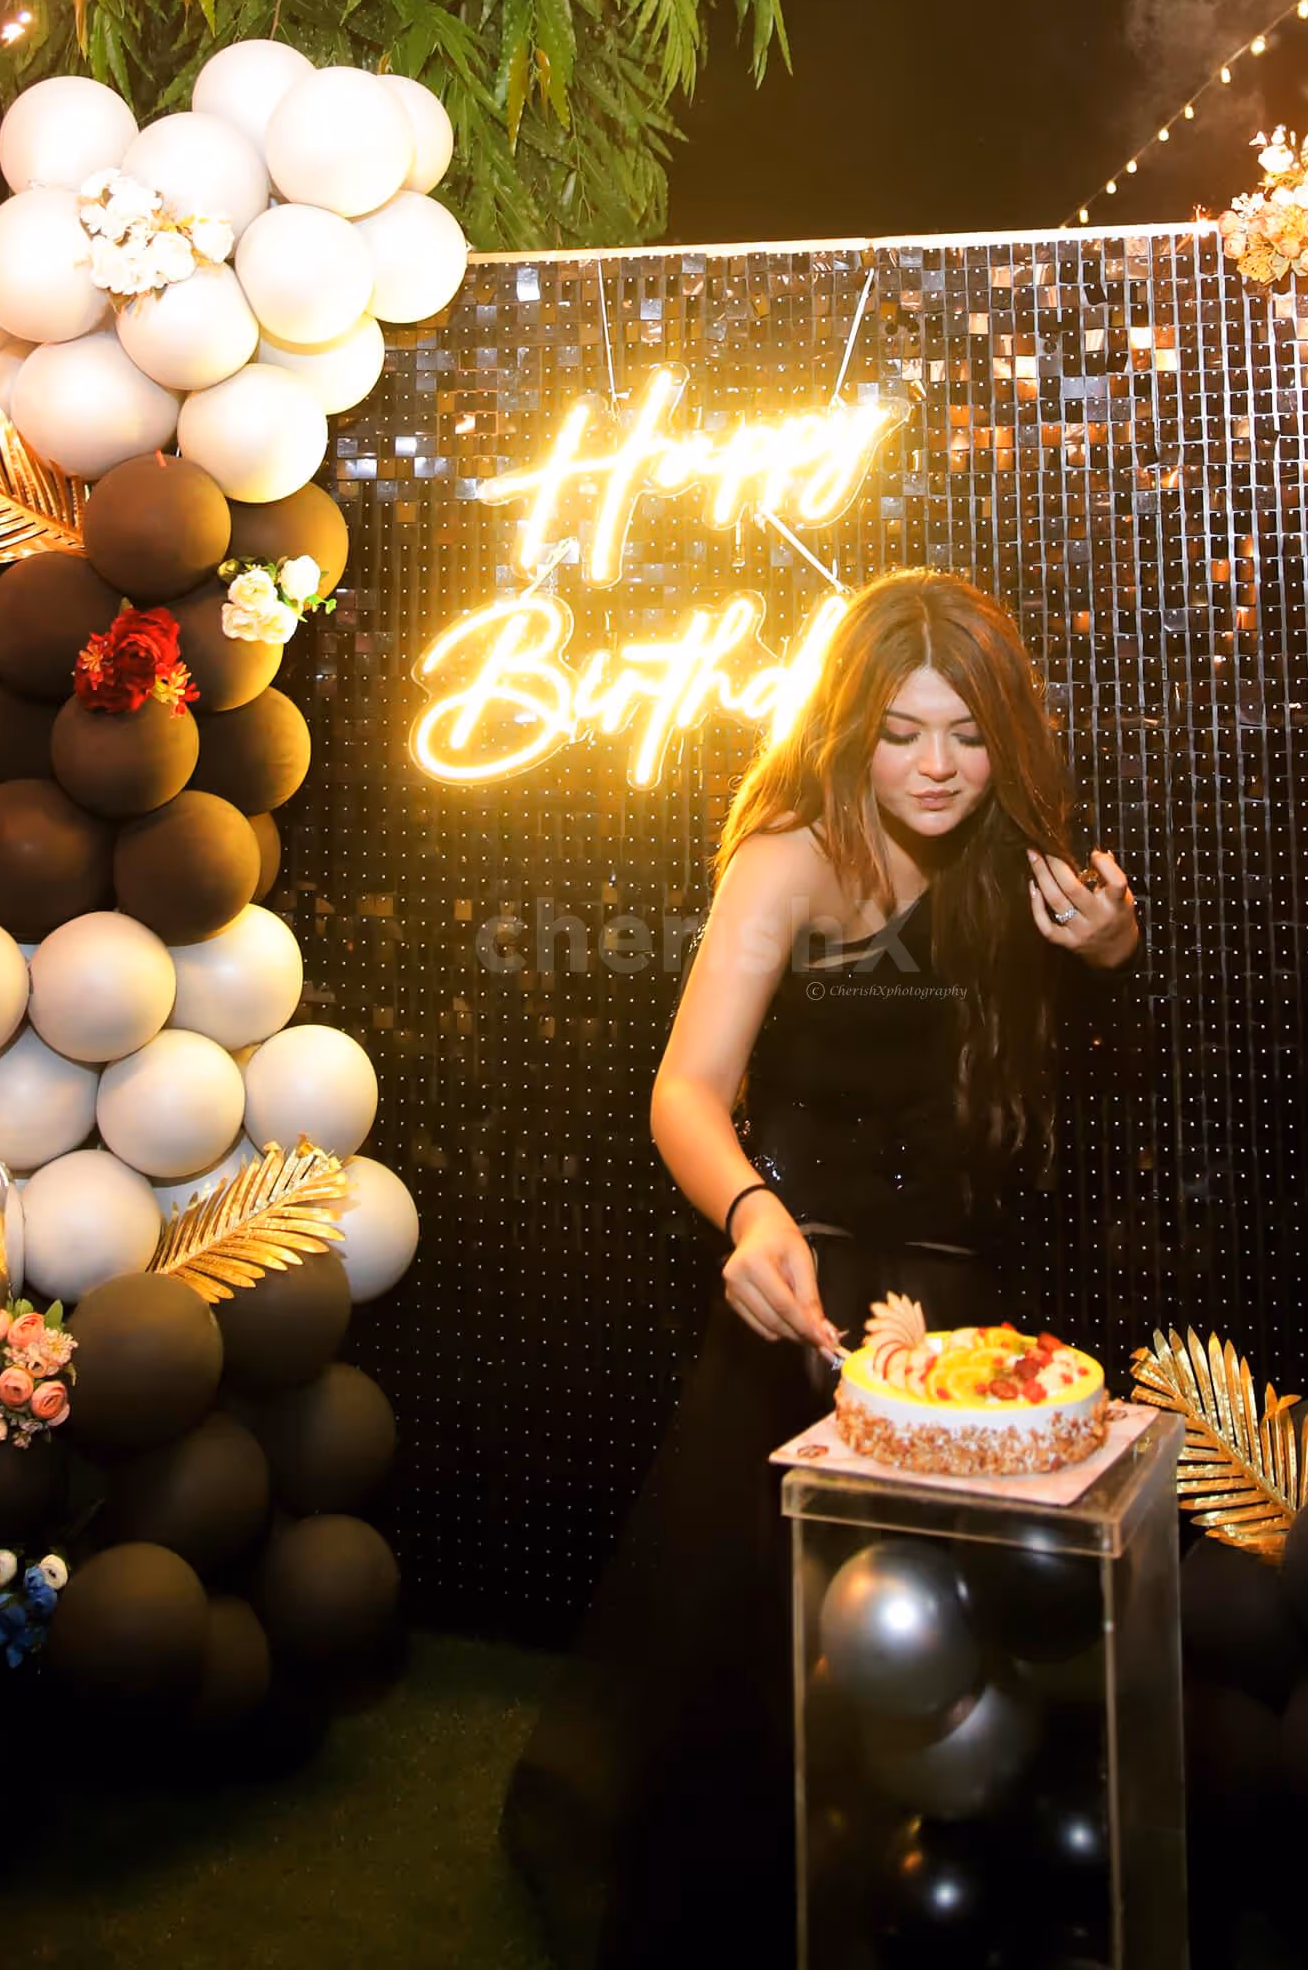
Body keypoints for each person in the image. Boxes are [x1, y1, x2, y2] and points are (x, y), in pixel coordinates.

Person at [502, 569, 1141, 1969]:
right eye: (903, 731)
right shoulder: (789, 850)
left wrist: (1113, 946)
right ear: (850, 725)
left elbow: (1082, 1034)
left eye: (966, 735)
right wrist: (748, 1215)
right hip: (818, 1294)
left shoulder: (1022, 845)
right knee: (782, 1668)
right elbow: (685, 1086)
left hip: (985, 1305)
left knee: (1006, 1646)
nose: (935, 766)